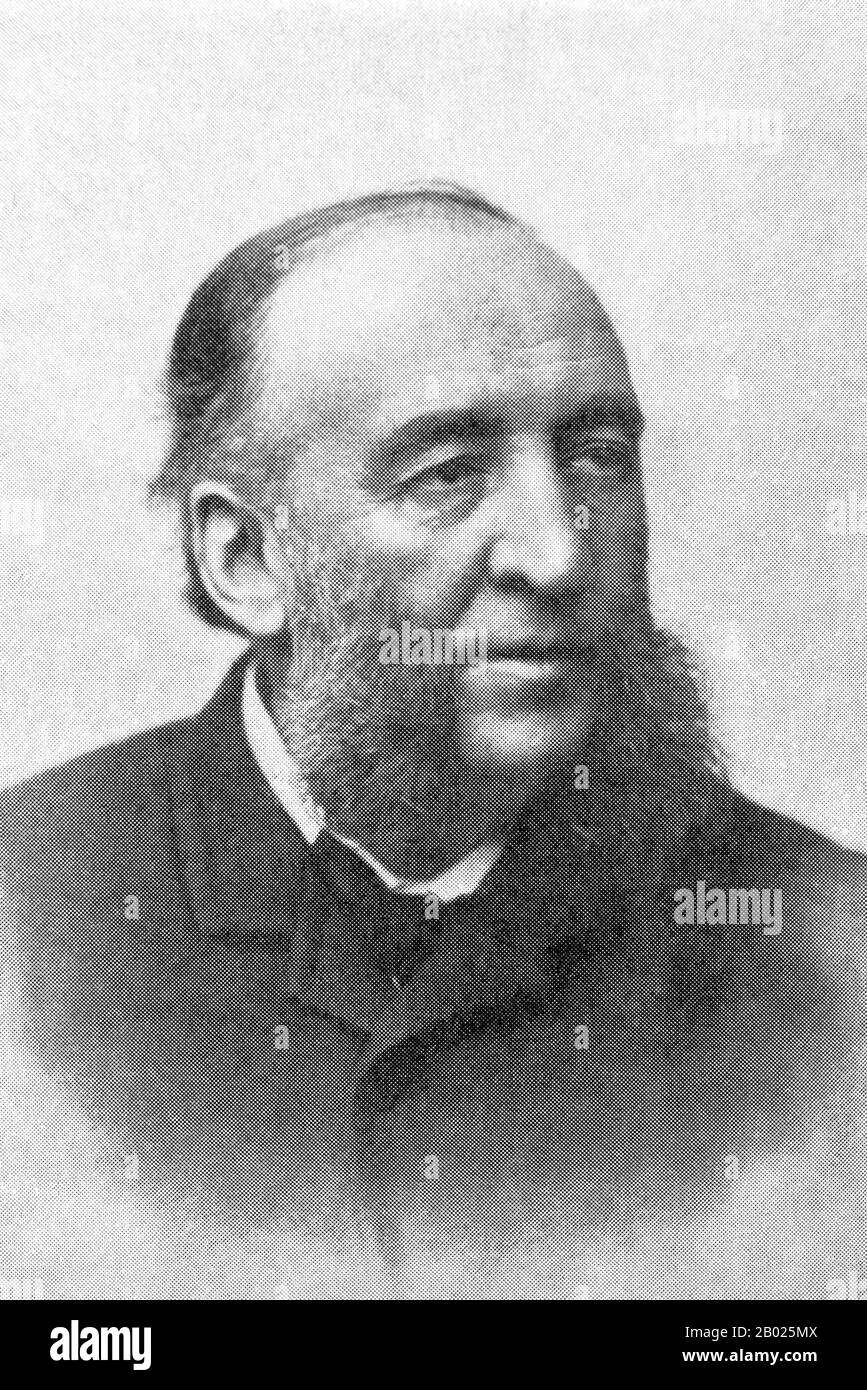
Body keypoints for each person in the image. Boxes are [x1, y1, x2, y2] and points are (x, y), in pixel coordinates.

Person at [2, 182, 865, 1298]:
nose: (557, 554)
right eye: (447, 474)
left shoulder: (830, 950)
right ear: (247, 561)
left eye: (597, 455)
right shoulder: (25, 921)